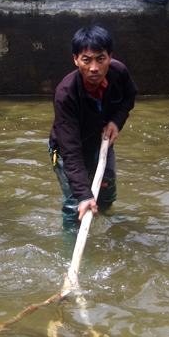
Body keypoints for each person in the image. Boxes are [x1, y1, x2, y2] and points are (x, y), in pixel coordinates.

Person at [49, 25, 138, 230]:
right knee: (76, 205)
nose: (94, 68)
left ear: (110, 57)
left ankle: (108, 225)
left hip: (101, 141)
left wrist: (116, 122)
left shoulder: (119, 72)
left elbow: (129, 97)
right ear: (75, 59)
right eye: (86, 60)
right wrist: (84, 195)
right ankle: (72, 243)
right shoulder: (65, 94)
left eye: (101, 59)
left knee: (106, 191)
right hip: (67, 150)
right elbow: (70, 150)